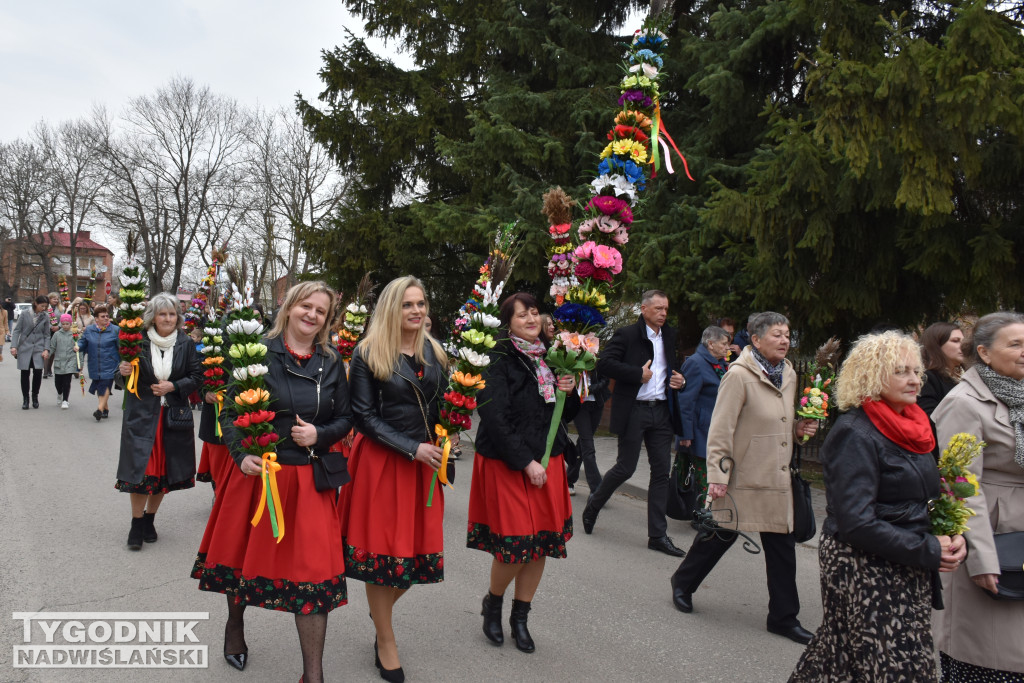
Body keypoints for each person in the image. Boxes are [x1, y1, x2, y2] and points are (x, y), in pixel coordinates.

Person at [192, 281, 352, 682]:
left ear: (327, 319)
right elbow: (228, 412)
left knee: (314, 576)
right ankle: (234, 627)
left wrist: (321, 434)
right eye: (305, 306)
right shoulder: (256, 350)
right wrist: (239, 454)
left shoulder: (331, 362)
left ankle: (312, 676)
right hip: (259, 475)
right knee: (242, 561)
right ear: (289, 306)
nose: (312, 315)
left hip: (310, 478)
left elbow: (346, 418)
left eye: (321, 310)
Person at [789, 331, 967, 681]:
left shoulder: (919, 424)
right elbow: (856, 522)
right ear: (871, 376)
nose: (915, 379)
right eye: (902, 371)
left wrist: (950, 530)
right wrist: (929, 547)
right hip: (864, 563)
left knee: (841, 656)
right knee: (894, 663)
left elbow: (932, 491)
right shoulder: (855, 432)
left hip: (907, 557)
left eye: (917, 371)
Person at [669, 311, 819, 644]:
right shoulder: (738, 374)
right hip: (740, 473)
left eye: (787, 334)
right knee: (721, 536)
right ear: (755, 339)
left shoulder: (790, 374)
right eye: (777, 334)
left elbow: (781, 422)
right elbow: (722, 428)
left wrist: (799, 429)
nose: (784, 340)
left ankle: (783, 617)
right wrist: (717, 476)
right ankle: (683, 582)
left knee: (781, 546)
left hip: (777, 476)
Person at [341, 275, 449, 682]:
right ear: (392, 308)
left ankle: (380, 611)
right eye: (408, 304)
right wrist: (411, 447)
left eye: (421, 303)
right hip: (384, 464)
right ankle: (385, 640)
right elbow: (364, 417)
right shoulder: (368, 352)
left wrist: (446, 438)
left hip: (425, 467)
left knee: (417, 557)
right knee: (382, 557)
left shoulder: (435, 351)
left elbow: (447, 406)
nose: (417, 311)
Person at [469, 292, 578, 653]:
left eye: (534, 312)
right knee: (515, 545)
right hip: (508, 462)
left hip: (549, 460)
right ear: (508, 323)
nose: (531, 319)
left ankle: (521, 616)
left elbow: (568, 412)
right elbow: (495, 417)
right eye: (521, 316)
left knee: (541, 543)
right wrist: (526, 462)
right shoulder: (497, 356)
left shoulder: (554, 355)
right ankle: (494, 601)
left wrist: (571, 390)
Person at [931, 311, 1024, 681]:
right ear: (984, 353)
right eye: (1015, 344)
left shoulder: (1019, 395)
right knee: (991, 654)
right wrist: (983, 559)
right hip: (991, 540)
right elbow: (958, 486)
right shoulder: (964, 402)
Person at [582, 289, 686, 557]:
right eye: (658, 309)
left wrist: (680, 380)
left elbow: (670, 369)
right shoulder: (628, 334)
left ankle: (658, 535)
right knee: (626, 468)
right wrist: (636, 373)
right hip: (634, 410)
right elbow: (604, 363)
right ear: (644, 309)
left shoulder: (669, 335)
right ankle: (594, 504)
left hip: (661, 411)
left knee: (662, 472)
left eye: (666, 309)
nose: (663, 313)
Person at [114, 292, 202, 550]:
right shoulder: (136, 342)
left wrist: (173, 386)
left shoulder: (185, 343)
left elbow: (197, 376)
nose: (167, 318)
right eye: (162, 314)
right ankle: (136, 523)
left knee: (164, 474)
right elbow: (119, 380)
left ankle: (150, 519)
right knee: (141, 473)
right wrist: (122, 372)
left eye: (172, 314)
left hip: (173, 418)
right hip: (142, 416)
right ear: (153, 317)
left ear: (178, 317)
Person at [675, 325, 731, 502]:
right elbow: (685, 400)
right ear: (711, 344)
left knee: (709, 473)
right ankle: (699, 513)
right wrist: (685, 433)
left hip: (713, 428)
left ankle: (703, 512)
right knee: (701, 475)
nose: (727, 348)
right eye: (723, 344)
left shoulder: (720, 364)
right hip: (699, 430)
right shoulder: (696, 363)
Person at [76, 304, 121, 421]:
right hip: (94, 363)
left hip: (111, 363)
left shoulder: (115, 330)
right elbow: (83, 342)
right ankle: (105, 408)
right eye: (103, 316)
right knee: (99, 386)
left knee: (105, 385)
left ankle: (99, 410)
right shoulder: (89, 330)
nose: (106, 318)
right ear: (96, 319)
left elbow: (121, 347)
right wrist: (78, 347)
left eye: (107, 316)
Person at [567, 368, 607, 496]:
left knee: (583, 444)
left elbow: (605, 380)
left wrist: (589, 389)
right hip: (580, 406)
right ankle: (597, 489)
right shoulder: (572, 355)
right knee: (588, 446)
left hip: (597, 404)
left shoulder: (597, 358)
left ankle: (568, 480)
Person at [11, 295, 51, 409]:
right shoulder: (24, 314)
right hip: (25, 348)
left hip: (38, 348)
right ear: (35, 303)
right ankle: (25, 398)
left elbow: (47, 335)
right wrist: (14, 346)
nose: (43, 308)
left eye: (45, 306)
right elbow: (17, 330)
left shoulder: (45, 316)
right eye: (41, 306)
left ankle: (35, 396)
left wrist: (46, 349)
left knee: (38, 373)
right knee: (25, 373)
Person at [918, 321, 965, 416]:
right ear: (936, 345)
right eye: (955, 341)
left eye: (963, 341)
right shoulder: (927, 379)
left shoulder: (965, 376)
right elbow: (929, 419)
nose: (963, 346)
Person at [46, 314, 78, 409]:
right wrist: (48, 354)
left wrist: (79, 361)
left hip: (70, 360)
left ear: (70, 324)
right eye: (63, 324)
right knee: (58, 382)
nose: (65, 326)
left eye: (67, 324)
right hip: (59, 361)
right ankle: (59, 393)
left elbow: (79, 347)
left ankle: (65, 400)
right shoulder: (57, 334)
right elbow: (52, 347)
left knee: (67, 381)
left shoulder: (74, 334)